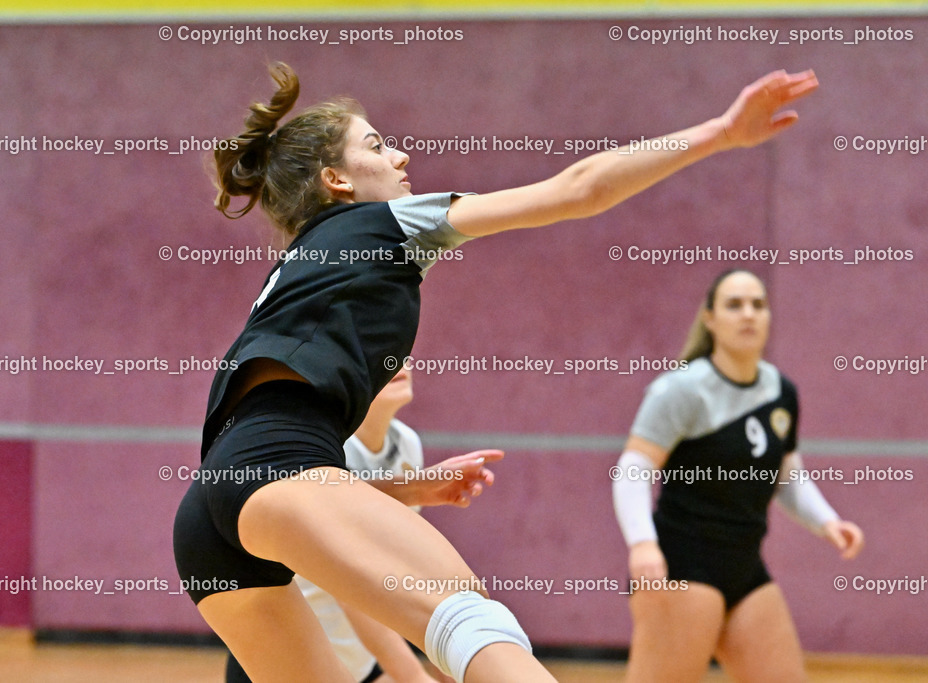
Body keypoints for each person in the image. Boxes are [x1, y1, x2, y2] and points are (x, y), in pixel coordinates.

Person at [172, 61, 820, 683]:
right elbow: (580, 188)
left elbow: (271, 458)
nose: (400, 158)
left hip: (207, 513)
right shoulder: (385, 222)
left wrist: (404, 490)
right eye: (376, 144)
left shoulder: (297, 263)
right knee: (474, 622)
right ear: (337, 181)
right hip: (277, 466)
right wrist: (720, 133)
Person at [612, 269, 866, 682]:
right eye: (734, 305)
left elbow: (786, 476)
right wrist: (642, 544)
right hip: (681, 566)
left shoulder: (781, 392)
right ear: (710, 319)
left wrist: (828, 522)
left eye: (758, 304)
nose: (748, 314)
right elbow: (633, 469)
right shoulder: (681, 390)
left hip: (745, 567)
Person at [225, 367, 480, 683]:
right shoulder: (322, 452)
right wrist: (415, 677)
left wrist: (454, 669)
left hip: (357, 662)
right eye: (382, 359)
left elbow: (402, 571)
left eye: (401, 355)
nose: (399, 364)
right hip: (281, 658)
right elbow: (351, 591)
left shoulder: (406, 443)